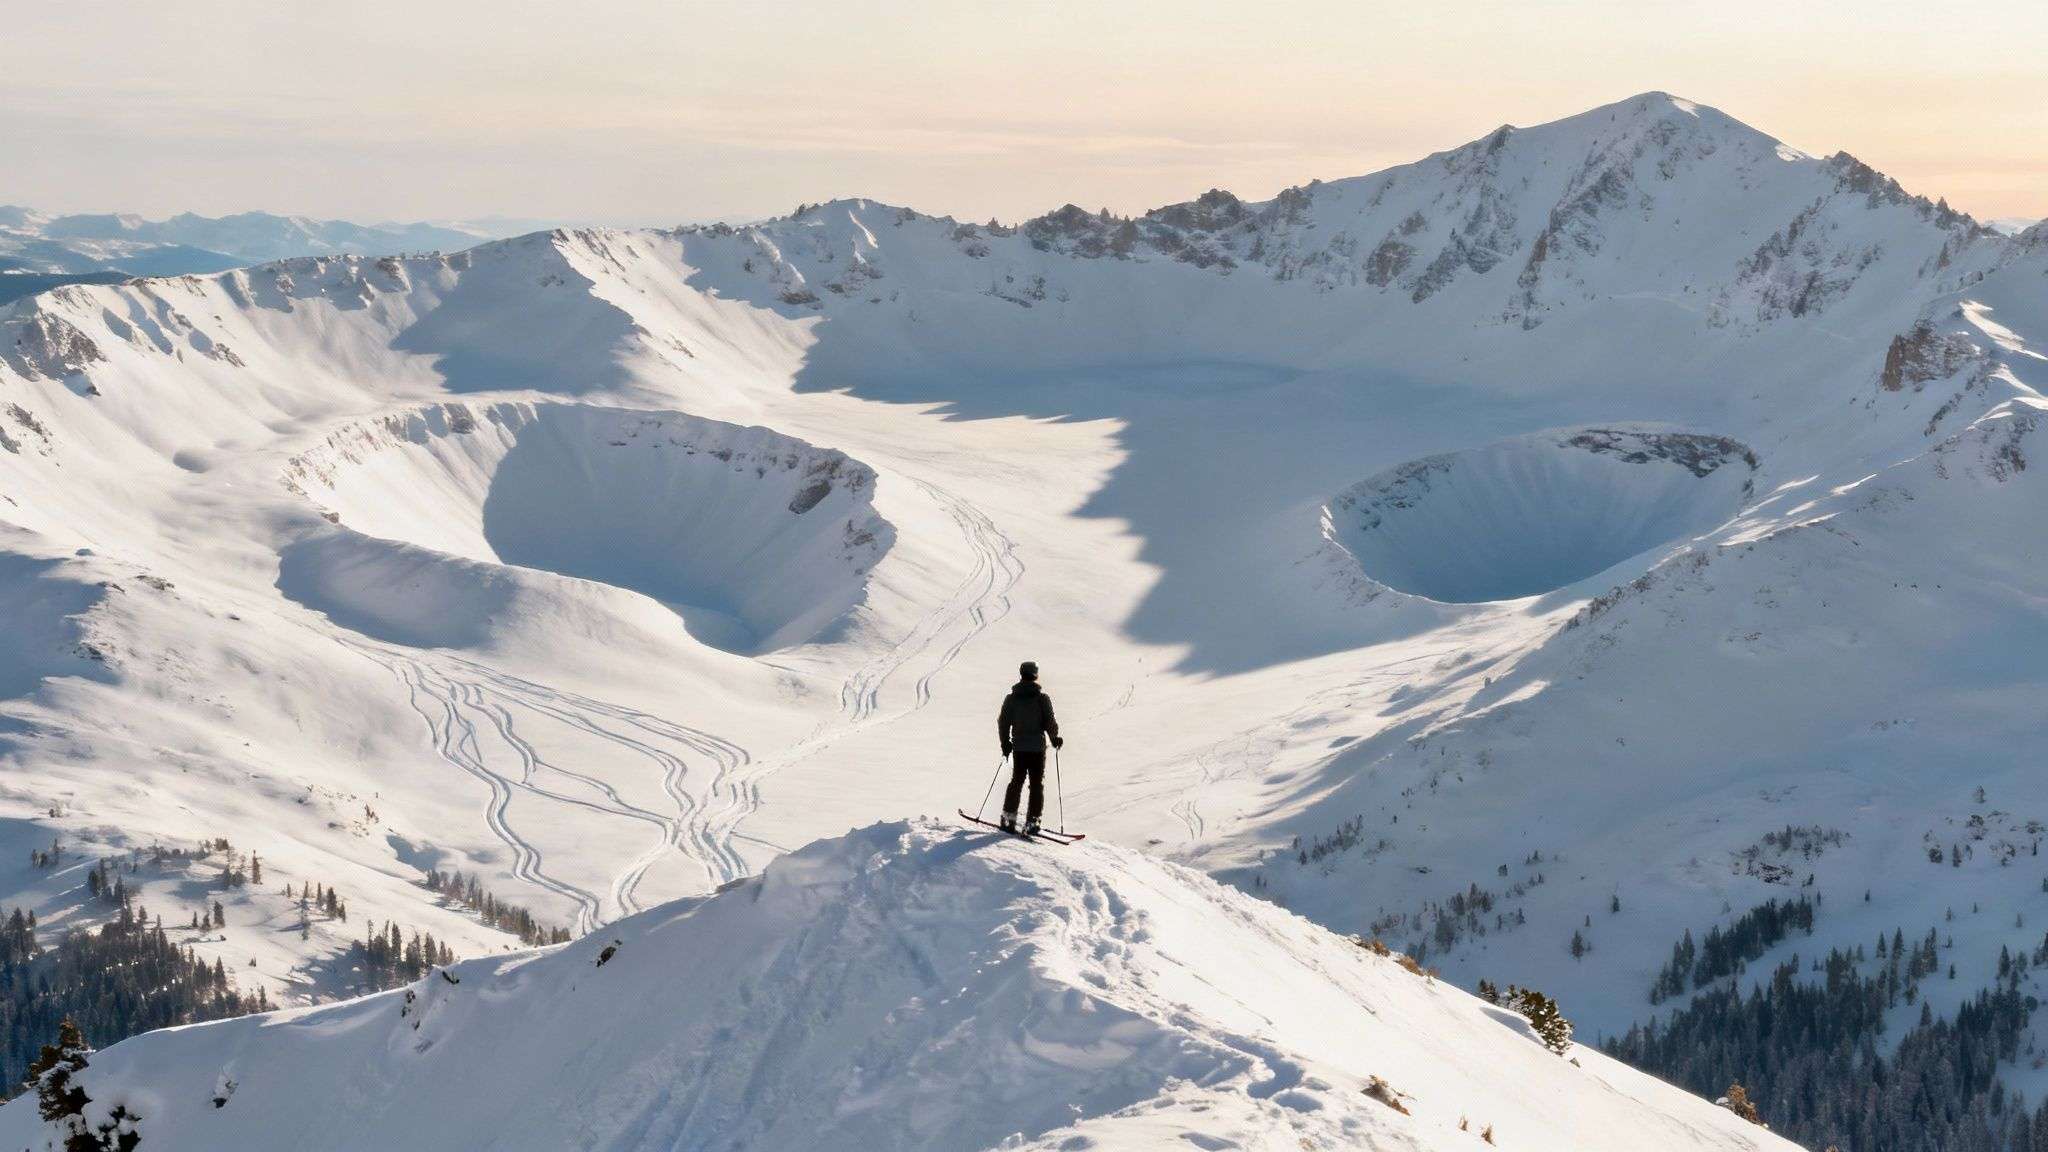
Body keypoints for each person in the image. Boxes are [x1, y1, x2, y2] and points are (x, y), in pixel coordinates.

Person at [996, 660, 1063, 834]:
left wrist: (1005, 744)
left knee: (1016, 781)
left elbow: (1003, 722)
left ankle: (1008, 818)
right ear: (1036, 675)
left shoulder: (1011, 699)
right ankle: (1032, 822)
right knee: (1036, 785)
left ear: (1021, 674)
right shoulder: (1042, 699)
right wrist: (1054, 738)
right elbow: (1050, 722)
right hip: (1037, 749)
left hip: (1019, 748)